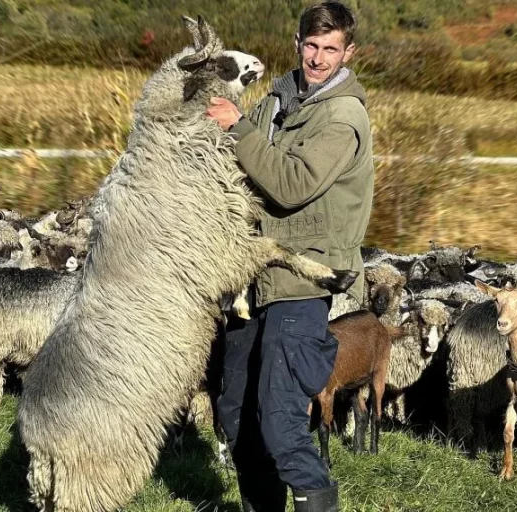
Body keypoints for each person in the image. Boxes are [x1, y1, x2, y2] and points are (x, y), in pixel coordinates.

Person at [205, 2, 374, 511]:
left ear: (348, 52)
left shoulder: (343, 116)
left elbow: (292, 184)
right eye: (311, 45)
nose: (318, 58)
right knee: (235, 415)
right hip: (253, 280)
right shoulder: (277, 100)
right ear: (297, 42)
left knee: (280, 422)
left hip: (303, 285)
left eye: (330, 49)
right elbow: (231, 162)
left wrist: (238, 128)